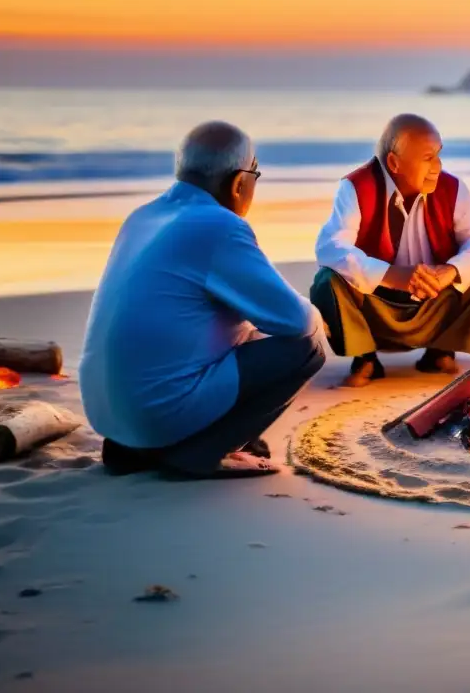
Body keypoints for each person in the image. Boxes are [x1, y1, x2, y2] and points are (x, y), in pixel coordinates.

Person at [79, 121, 325, 478]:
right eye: (256, 173)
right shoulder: (219, 225)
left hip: (108, 416)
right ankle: (204, 452)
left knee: (246, 331)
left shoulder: (142, 216)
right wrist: (316, 313)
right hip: (154, 414)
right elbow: (295, 321)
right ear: (240, 182)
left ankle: (141, 448)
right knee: (307, 346)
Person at [311, 113, 470, 387]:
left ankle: (440, 350)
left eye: (438, 156)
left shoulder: (452, 188)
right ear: (394, 163)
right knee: (327, 281)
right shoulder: (356, 187)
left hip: (433, 301)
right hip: (376, 306)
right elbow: (330, 248)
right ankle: (365, 357)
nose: (438, 166)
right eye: (428, 158)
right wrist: (394, 275)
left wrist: (450, 271)